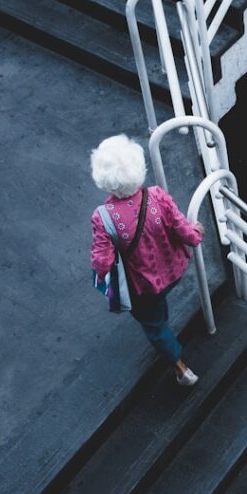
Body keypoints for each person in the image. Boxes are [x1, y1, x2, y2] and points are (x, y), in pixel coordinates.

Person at [89, 134, 205, 386]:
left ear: (104, 180)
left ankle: (181, 368)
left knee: (154, 325)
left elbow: (102, 263)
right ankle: (164, 317)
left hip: (143, 287)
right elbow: (185, 232)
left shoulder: (103, 217)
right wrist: (197, 231)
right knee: (159, 305)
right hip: (173, 271)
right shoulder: (157, 196)